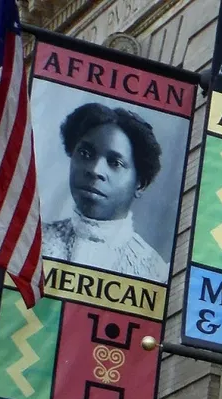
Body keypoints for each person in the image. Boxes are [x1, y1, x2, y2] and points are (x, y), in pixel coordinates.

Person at [43, 103, 170, 283]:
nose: (95, 170)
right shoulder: (35, 241)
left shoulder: (154, 273)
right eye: (85, 153)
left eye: (115, 163)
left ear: (140, 184)